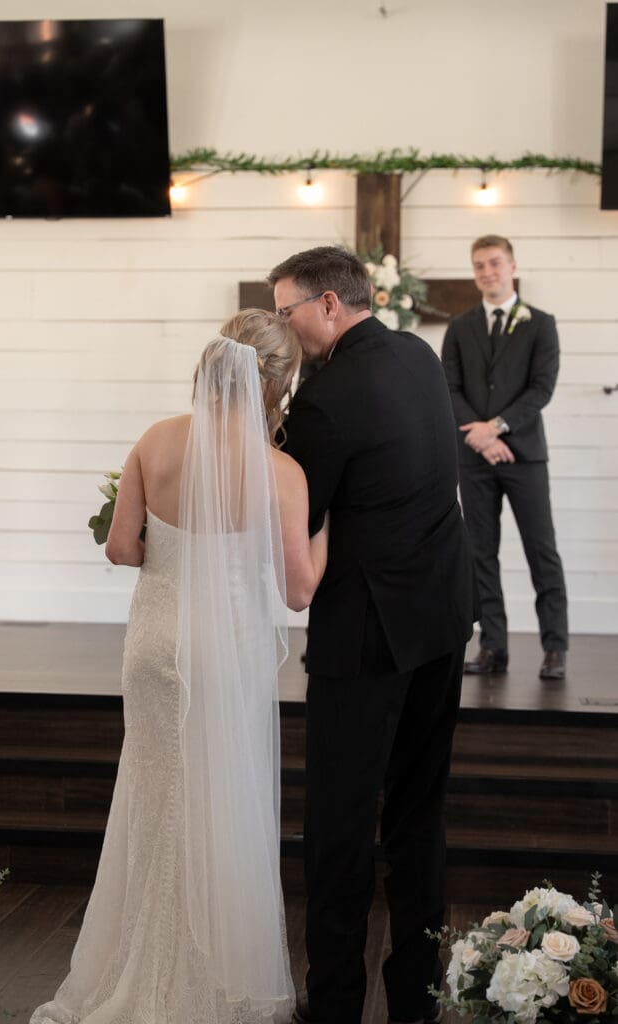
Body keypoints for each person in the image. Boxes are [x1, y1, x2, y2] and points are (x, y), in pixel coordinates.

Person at [30, 309, 329, 1024]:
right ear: (277, 384)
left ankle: (129, 966)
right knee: (221, 806)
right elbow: (298, 591)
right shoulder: (282, 472)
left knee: (152, 800)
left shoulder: (157, 440)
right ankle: (209, 978)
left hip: (154, 645)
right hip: (224, 652)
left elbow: (121, 550)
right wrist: (333, 531)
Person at [267, 246, 477, 1024]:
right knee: (420, 812)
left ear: (327, 304)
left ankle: (334, 1004)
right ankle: (417, 997)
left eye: (286, 310)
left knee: (339, 825)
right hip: (441, 616)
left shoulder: (324, 400)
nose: (283, 327)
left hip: (365, 635)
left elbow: (298, 519)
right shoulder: (418, 355)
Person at [441, 235, 568, 680]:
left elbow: (541, 388)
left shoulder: (541, 324)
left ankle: (555, 647)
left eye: (494, 263)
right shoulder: (460, 327)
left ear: (512, 266)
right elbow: (448, 388)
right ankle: (492, 646)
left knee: (542, 550)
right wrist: (480, 438)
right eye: (479, 265)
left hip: (524, 455)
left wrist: (495, 427)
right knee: (480, 553)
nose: (487, 272)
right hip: (474, 458)